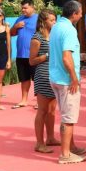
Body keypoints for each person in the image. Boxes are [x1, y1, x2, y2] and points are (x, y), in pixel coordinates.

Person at [49, 0, 86, 164]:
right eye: (80, 12)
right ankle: (65, 154)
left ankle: (70, 146)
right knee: (68, 118)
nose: (81, 15)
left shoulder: (56, 26)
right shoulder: (69, 30)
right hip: (66, 79)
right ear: (74, 14)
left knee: (66, 114)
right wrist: (74, 78)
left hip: (56, 77)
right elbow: (66, 57)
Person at [30, 9, 61, 152]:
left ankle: (50, 138)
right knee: (42, 110)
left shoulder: (55, 36)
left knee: (52, 110)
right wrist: (47, 55)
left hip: (55, 75)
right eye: (51, 20)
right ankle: (39, 143)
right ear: (43, 21)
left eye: (55, 20)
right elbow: (32, 61)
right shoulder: (37, 38)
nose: (54, 22)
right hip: (42, 75)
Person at [10, 0, 38, 108]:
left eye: (25, 8)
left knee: (37, 79)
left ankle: (38, 101)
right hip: (21, 54)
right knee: (24, 78)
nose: (23, 10)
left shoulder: (39, 19)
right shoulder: (20, 19)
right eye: (22, 8)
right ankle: (24, 100)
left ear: (32, 7)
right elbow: (11, 33)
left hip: (34, 55)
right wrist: (16, 26)